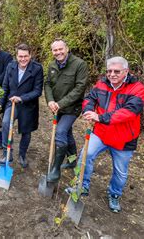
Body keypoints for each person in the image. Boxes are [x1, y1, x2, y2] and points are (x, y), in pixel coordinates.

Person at [72, 56, 144, 213]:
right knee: (85, 156)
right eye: (109, 71)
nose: (112, 74)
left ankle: (114, 195)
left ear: (126, 71)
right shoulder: (101, 84)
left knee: (120, 172)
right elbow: (89, 99)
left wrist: (99, 117)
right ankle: (81, 186)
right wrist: (88, 111)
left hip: (124, 138)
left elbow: (128, 112)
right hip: (101, 133)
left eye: (116, 71)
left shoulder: (137, 89)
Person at [45, 39, 89, 183]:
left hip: (72, 107)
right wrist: (50, 101)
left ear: (67, 48)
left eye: (60, 49)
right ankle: (72, 160)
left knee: (61, 132)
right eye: (55, 50)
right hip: (56, 107)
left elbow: (80, 88)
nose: (58, 52)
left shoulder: (79, 64)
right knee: (68, 133)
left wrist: (61, 103)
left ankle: (56, 168)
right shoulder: (52, 65)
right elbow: (48, 84)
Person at [0, 44, 43, 167]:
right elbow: (5, 86)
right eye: (20, 56)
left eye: (26, 56)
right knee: (6, 123)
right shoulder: (10, 66)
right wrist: (0, 103)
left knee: (26, 131)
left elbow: (37, 91)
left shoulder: (37, 69)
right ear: (16, 56)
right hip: (12, 103)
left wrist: (21, 98)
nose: (23, 59)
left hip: (28, 105)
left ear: (30, 55)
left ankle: (22, 155)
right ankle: (7, 154)